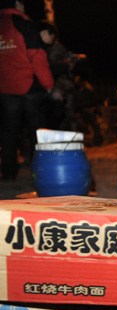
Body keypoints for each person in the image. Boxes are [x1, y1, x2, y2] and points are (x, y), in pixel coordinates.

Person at [0, 0, 54, 180]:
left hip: (6, 88)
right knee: (36, 132)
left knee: (9, 133)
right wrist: (48, 84)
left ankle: (8, 174)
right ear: (18, 4)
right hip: (28, 86)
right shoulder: (24, 24)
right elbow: (37, 57)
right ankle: (39, 172)